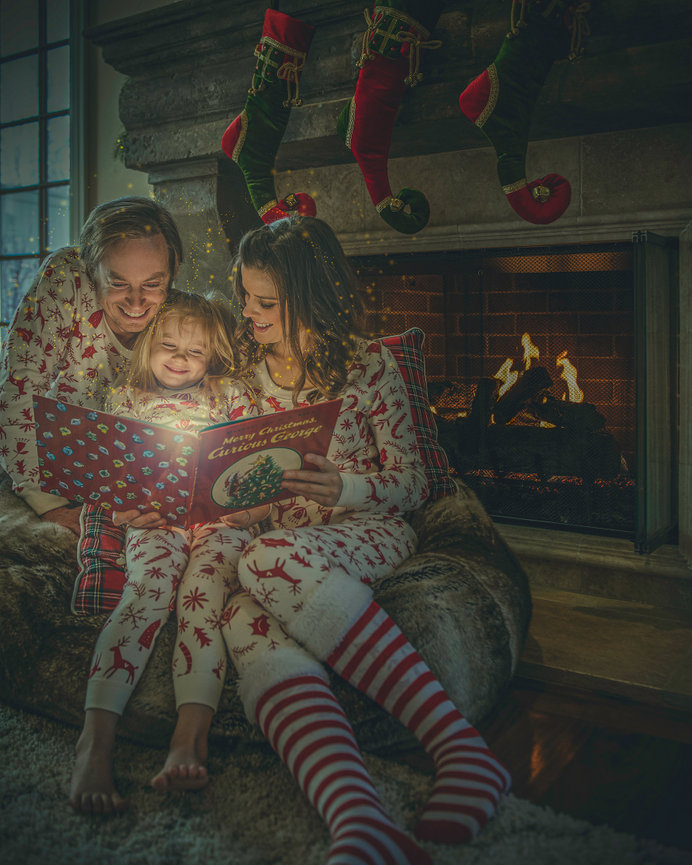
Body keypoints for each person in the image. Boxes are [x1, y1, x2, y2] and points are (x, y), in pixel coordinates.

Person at [216, 216, 511, 864]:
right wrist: (244, 503)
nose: (250, 312)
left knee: (263, 563)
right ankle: (360, 819)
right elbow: (249, 479)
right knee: (239, 606)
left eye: (265, 302)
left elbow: (411, 481)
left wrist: (342, 487)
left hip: (370, 530)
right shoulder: (245, 378)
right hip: (286, 543)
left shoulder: (369, 365)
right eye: (246, 297)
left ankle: (460, 747)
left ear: (309, 298)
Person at [69, 291, 272, 815]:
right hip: (156, 521)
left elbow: (257, 464)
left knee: (203, 597)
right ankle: (95, 742)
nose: (181, 358)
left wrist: (244, 508)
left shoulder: (231, 394)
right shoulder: (124, 399)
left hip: (218, 523)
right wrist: (125, 510)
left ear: (212, 358)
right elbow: (110, 482)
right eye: (168, 345)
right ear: (146, 347)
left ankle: (189, 737)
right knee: (146, 592)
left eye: (196, 352)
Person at [0, 196, 183, 536]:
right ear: (91, 268)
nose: (136, 301)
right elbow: (17, 390)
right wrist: (48, 506)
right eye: (118, 283)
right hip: (50, 454)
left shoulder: (181, 311)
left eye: (152, 285)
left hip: (128, 472)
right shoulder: (64, 278)